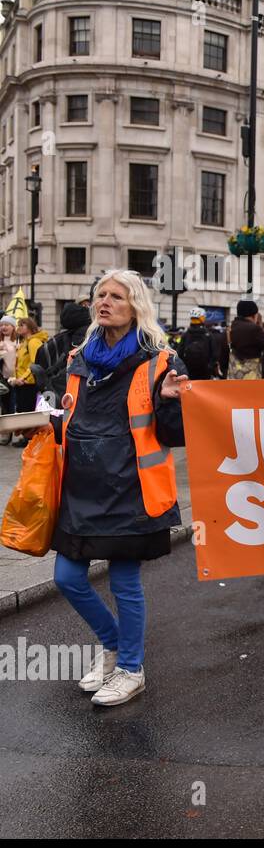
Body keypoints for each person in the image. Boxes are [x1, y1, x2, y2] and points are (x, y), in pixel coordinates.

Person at [44, 270, 189, 706]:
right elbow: (64, 415)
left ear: (136, 306)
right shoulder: (78, 358)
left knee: (125, 583)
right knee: (67, 578)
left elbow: (174, 434)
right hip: (81, 487)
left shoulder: (162, 361)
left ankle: (130, 668)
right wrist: (44, 420)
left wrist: (170, 401)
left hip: (132, 488)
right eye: (100, 295)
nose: (105, 302)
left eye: (116, 296)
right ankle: (113, 647)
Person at [6, 317, 49, 448]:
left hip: (29, 383)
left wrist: (23, 378)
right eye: (18, 325)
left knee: (27, 411)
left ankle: (29, 437)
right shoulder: (26, 341)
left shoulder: (33, 342)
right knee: (24, 410)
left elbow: (35, 363)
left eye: (22, 325)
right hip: (22, 382)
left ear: (29, 327)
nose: (18, 327)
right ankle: (27, 437)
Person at [178, 308, 222, 381]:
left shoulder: (185, 335)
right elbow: (215, 354)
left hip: (189, 370)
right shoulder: (208, 335)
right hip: (205, 371)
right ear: (202, 318)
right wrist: (210, 367)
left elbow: (180, 353)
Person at [0, 315, 20, 442]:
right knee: (5, 407)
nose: (3, 327)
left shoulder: (19, 342)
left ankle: (16, 433)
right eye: (2, 325)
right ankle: (5, 433)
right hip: (4, 380)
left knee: (15, 407)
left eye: (7, 325)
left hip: (17, 380)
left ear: (13, 327)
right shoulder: (0, 342)